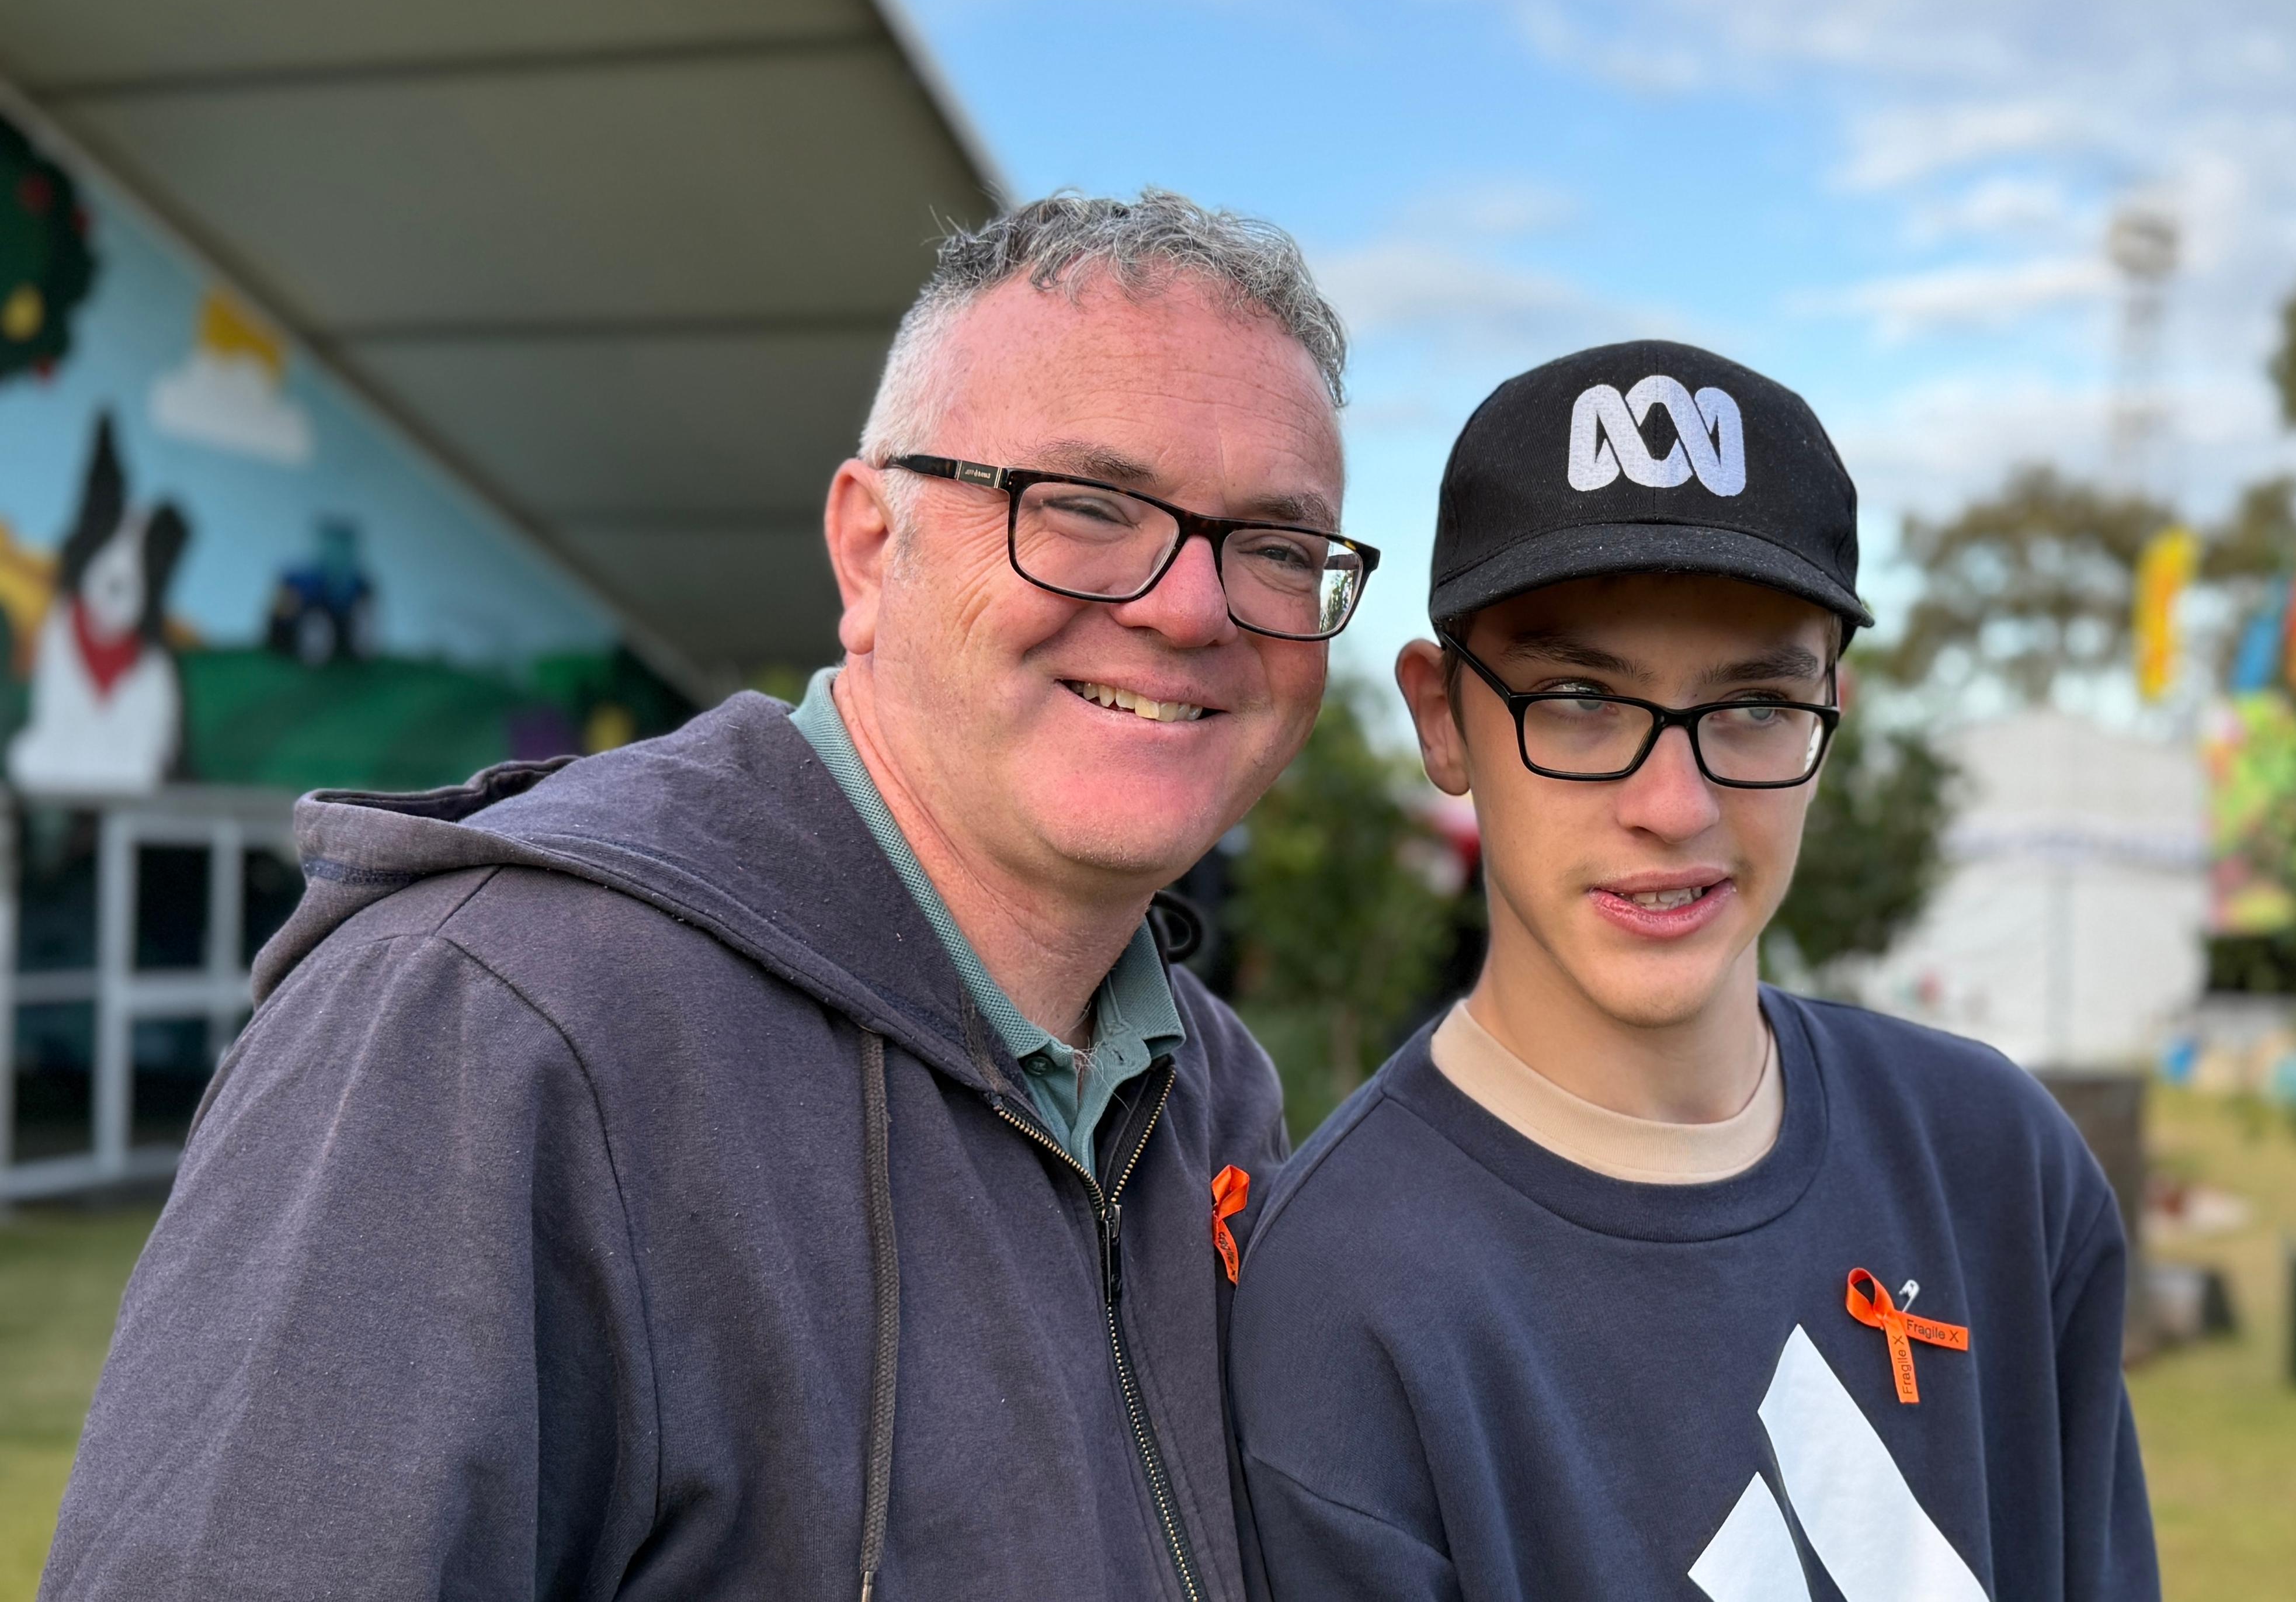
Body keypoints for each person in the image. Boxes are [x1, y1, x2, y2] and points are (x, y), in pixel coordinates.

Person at [44, 190, 1375, 1601]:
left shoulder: (1208, 1095)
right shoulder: (484, 1026)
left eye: (1279, 548)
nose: (1191, 608)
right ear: (870, 549)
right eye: (1088, 507)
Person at [1226, 341, 2158, 1602]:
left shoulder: (1995, 1159)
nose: (1674, 803)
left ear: (1837, 708)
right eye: (1578, 700)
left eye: (1756, 706)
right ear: (1443, 718)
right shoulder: (1344, 1289)